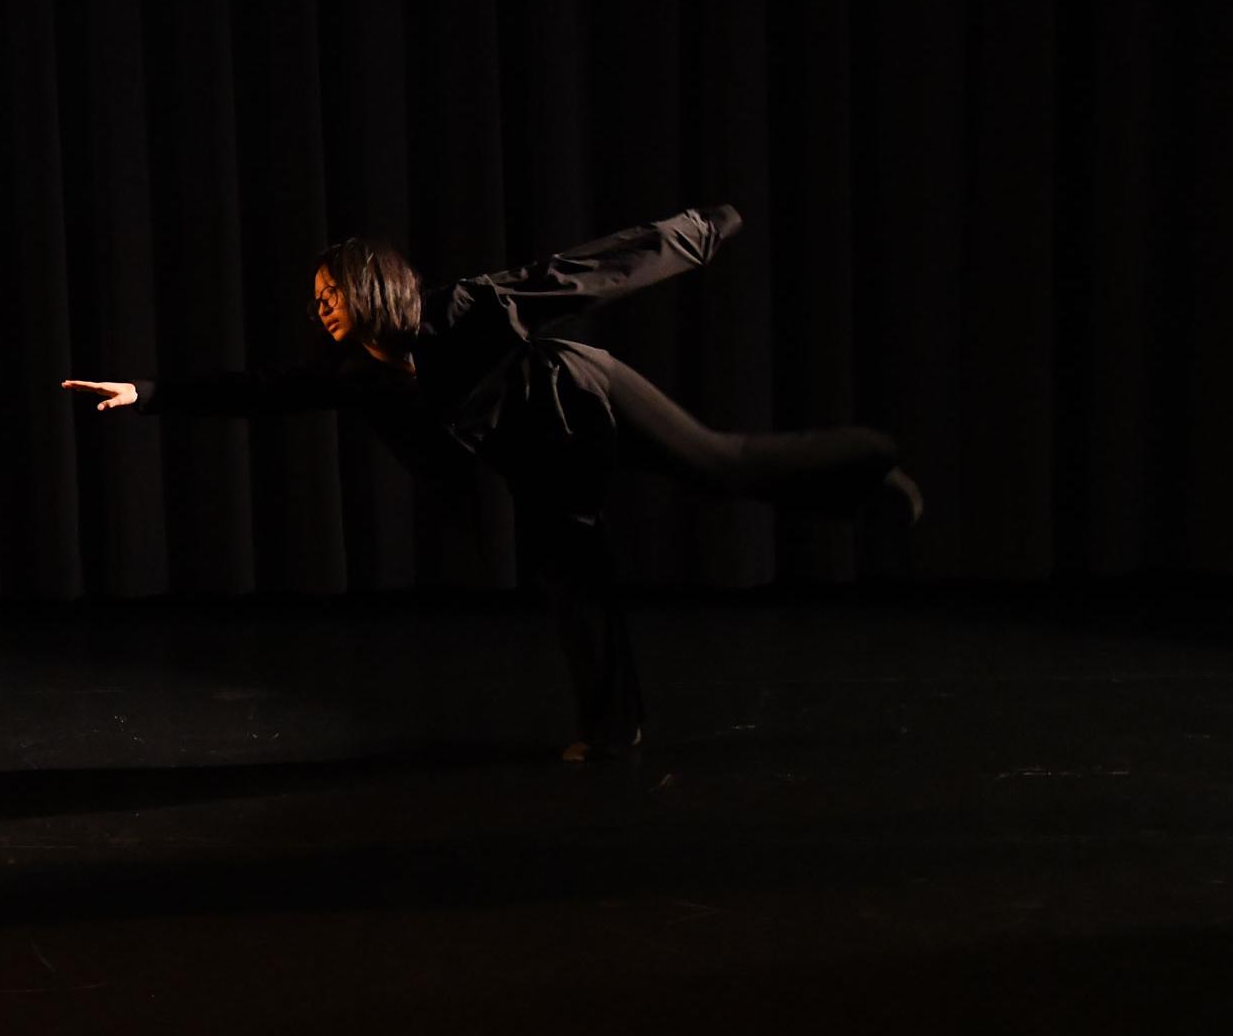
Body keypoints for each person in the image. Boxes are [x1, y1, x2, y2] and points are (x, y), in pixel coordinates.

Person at [63, 207, 917, 762]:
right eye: (316, 298)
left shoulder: (463, 308)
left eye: (331, 293)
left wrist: (697, 232)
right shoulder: (356, 376)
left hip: (581, 395)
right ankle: (611, 726)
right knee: (568, 571)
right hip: (538, 458)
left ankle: (866, 467)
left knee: (719, 467)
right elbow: (260, 391)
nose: (320, 308)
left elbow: (579, 272)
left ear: (368, 287)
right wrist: (147, 394)